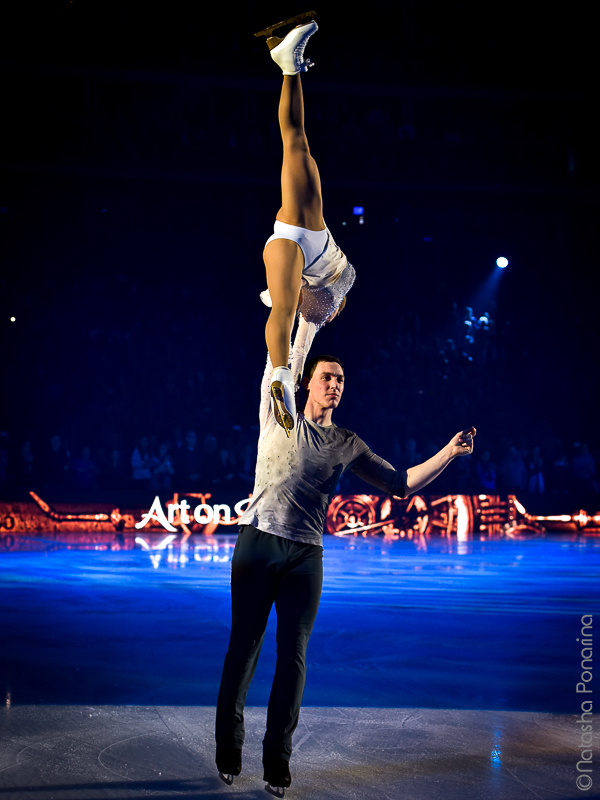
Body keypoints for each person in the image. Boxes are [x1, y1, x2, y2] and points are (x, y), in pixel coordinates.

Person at [215, 352, 476, 794]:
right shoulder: (280, 415)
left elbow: (401, 484)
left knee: (293, 658)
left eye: (340, 379)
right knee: (244, 648)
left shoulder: (347, 442)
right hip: (258, 544)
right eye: (327, 377)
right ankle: (228, 750)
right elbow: (281, 358)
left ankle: (277, 761)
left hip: (305, 558)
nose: (334, 384)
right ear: (306, 383)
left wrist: (449, 452)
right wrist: (306, 313)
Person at [258, 14, 355, 436]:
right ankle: (284, 59)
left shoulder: (328, 300)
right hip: (287, 245)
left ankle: (290, 64)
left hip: (308, 240)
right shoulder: (321, 298)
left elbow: (303, 332)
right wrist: (285, 376)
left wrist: (290, 374)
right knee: (281, 314)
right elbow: (295, 328)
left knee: (296, 139)